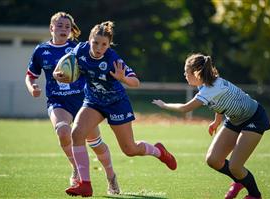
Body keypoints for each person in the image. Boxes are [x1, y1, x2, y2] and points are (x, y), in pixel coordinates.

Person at [53, 21, 177, 197]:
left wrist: (122, 78)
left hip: (116, 103)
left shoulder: (113, 59)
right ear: (89, 40)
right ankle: (85, 184)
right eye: (95, 42)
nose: (98, 47)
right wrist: (58, 75)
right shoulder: (80, 50)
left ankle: (159, 151)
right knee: (77, 133)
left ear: (109, 45)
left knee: (130, 149)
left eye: (104, 44)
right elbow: (59, 69)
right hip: (93, 101)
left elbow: (136, 82)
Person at [25, 12, 120, 195]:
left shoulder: (78, 48)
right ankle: (76, 168)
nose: (63, 29)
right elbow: (30, 76)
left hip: (84, 102)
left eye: (67, 27)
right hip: (58, 101)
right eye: (59, 26)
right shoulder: (41, 50)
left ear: (71, 30)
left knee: (96, 144)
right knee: (62, 131)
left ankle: (111, 177)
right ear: (51, 28)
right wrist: (32, 88)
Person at [152, 53, 270, 199]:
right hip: (234, 120)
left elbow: (185, 108)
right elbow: (219, 102)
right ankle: (239, 180)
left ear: (196, 73)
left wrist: (164, 105)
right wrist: (217, 120)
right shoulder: (205, 85)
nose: (184, 74)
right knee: (213, 160)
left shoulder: (210, 88)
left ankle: (255, 195)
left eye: (186, 72)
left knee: (235, 167)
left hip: (254, 118)